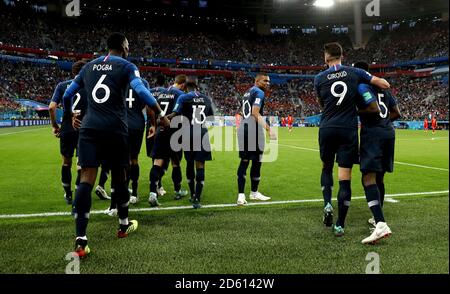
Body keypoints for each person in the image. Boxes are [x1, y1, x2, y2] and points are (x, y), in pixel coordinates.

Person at [62, 32, 167, 257]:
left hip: (89, 128)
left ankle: (81, 239)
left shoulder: (88, 67)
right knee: (121, 175)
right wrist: (160, 113)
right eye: (128, 45)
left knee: (86, 179)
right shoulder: (127, 66)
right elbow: (141, 90)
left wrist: (71, 114)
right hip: (116, 128)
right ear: (124, 46)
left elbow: (67, 94)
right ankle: (123, 224)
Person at [314, 42, 390, 237]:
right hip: (348, 129)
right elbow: (384, 84)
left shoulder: (319, 78)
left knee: (326, 167)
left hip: (327, 127)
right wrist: (368, 84)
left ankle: (327, 204)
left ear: (326, 57)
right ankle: (340, 225)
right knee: (345, 180)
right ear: (342, 55)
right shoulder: (355, 72)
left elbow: (322, 104)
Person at [354, 61, 401, 244]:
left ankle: (380, 223)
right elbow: (397, 113)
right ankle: (377, 217)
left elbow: (373, 108)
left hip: (373, 135)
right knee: (379, 177)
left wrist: (355, 112)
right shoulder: (384, 89)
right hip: (388, 133)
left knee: (367, 177)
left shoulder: (363, 85)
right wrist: (383, 123)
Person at [168, 76, 214, 208]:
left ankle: (192, 194)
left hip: (187, 133)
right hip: (202, 133)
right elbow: (210, 116)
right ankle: (197, 199)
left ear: (185, 87)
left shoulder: (183, 97)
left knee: (189, 163)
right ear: (197, 86)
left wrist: (164, 118)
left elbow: (175, 113)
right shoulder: (206, 98)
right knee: (200, 165)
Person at [49, 61, 87, 205]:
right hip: (84, 127)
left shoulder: (62, 85)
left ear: (73, 72)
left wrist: (54, 126)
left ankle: (67, 194)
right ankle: (78, 194)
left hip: (66, 127)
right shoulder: (89, 85)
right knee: (81, 164)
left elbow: (52, 108)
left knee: (66, 162)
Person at [148, 74, 188, 206]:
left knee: (157, 162)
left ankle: (153, 193)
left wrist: (155, 124)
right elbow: (180, 113)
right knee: (175, 162)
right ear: (182, 85)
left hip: (160, 130)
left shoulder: (162, 93)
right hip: (174, 131)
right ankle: (177, 191)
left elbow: (151, 109)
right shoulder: (180, 95)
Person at [236, 74, 273, 206]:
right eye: (265, 81)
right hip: (254, 131)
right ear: (257, 81)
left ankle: (241, 196)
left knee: (244, 161)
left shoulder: (247, 92)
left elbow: (241, 112)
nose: (267, 83)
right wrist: (269, 129)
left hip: (243, 130)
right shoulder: (259, 92)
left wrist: (239, 126)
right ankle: (254, 193)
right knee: (257, 161)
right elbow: (255, 112)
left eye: (268, 81)